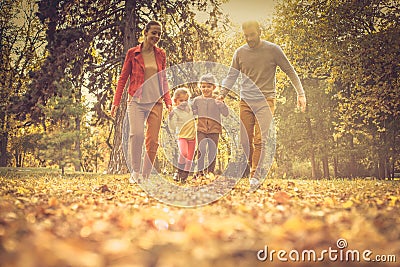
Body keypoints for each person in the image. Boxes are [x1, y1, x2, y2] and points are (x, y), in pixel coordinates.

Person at [219, 21, 307, 189]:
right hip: (245, 101)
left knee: (260, 139)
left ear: (259, 32)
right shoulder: (239, 53)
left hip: (266, 100)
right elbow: (231, 75)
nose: (249, 39)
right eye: (246, 36)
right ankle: (254, 170)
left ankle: (255, 175)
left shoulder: (273, 50)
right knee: (245, 141)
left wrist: (300, 93)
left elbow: (289, 70)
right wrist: (222, 94)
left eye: (252, 35)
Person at [110, 20, 172, 183]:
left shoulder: (161, 54)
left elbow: (163, 78)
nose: (156, 36)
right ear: (145, 33)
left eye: (159, 33)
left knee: (153, 141)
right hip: (136, 101)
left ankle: (145, 175)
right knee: (136, 135)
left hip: (155, 102)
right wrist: (116, 102)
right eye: (153, 33)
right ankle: (135, 172)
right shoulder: (133, 53)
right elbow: (123, 78)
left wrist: (168, 101)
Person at [192, 73, 229, 177]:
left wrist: (222, 105)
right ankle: (199, 172)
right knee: (201, 150)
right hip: (201, 129)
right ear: (200, 87)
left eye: (209, 86)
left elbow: (226, 113)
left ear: (214, 87)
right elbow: (192, 112)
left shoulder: (217, 99)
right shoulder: (197, 100)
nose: (206, 89)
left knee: (212, 152)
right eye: (203, 86)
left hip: (214, 130)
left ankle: (210, 172)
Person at [168, 88, 196, 183]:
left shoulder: (190, 108)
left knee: (189, 159)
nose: (184, 103)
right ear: (175, 101)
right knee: (184, 153)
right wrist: (170, 117)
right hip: (182, 137)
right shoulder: (175, 111)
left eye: (186, 100)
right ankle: (179, 172)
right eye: (181, 100)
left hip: (192, 137)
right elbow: (172, 127)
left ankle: (184, 177)